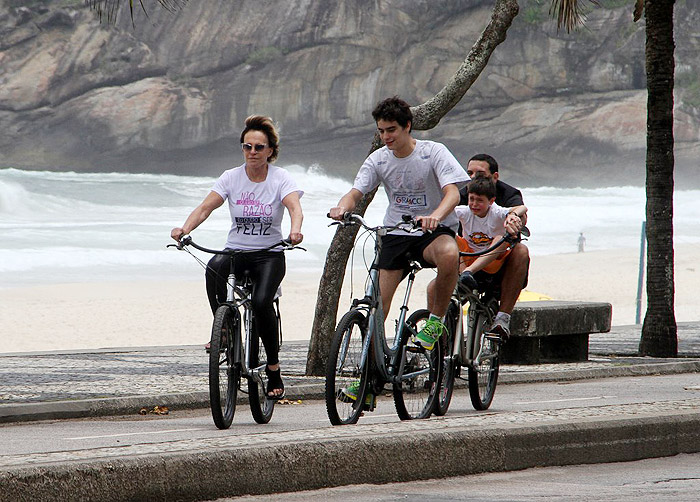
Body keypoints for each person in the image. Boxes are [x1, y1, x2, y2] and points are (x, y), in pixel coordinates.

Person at [170, 115, 303, 400]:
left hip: (269, 255)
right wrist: (185, 228)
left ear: (270, 150)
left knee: (261, 302)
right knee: (213, 268)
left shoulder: (280, 178)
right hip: (236, 251)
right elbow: (206, 207)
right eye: (247, 147)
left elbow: (294, 207)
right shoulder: (231, 177)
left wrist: (295, 231)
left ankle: (273, 368)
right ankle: (224, 330)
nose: (252, 152)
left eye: (259, 147)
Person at [329, 96, 468, 360]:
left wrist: (436, 216)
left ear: (407, 126)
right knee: (376, 308)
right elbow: (355, 192)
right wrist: (341, 208)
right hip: (396, 232)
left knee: (450, 254)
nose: (386, 136)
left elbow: (452, 194)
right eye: (381, 131)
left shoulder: (432, 152)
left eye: (391, 130)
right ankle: (369, 374)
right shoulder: (378, 159)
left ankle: (435, 322)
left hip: (431, 231)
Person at [458, 153, 530, 338]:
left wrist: (514, 218)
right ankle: (439, 348)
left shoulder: (508, 194)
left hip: (499, 261)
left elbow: (521, 212)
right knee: (434, 288)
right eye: (470, 173)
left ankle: (502, 319)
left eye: (479, 174)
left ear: (495, 177)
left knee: (521, 250)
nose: (473, 178)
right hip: (467, 259)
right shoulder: (464, 195)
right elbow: (444, 214)